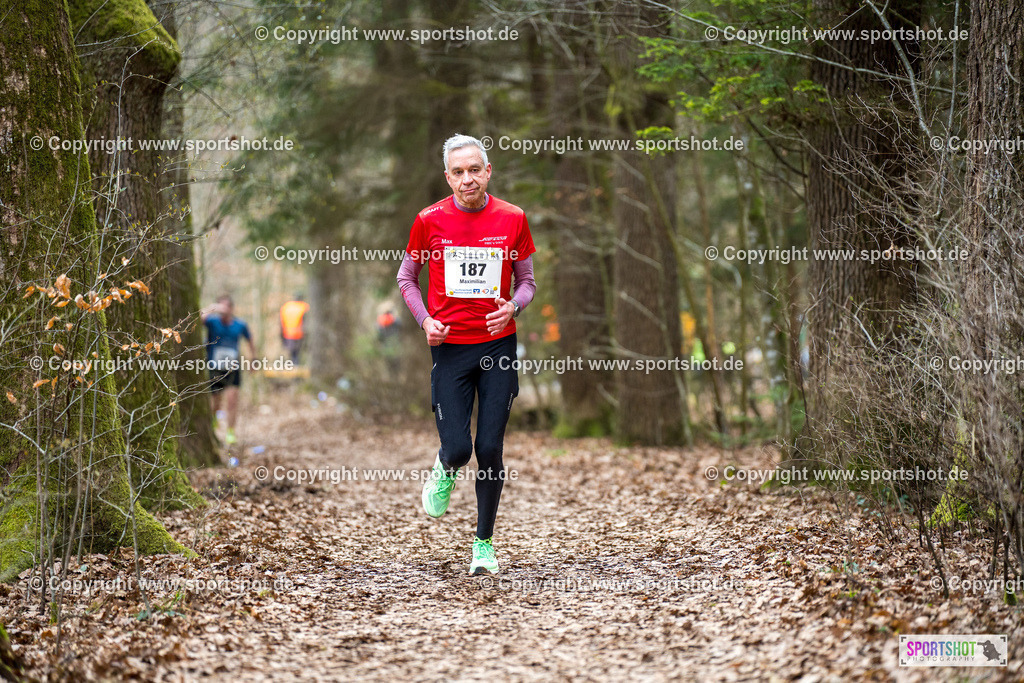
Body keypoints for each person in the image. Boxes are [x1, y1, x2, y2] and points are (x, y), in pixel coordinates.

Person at [397, 133, 536, 575]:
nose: (467, 178)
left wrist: (513, 306)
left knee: (490, 448)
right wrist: (425, 321)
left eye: (474, 169)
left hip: (498, 345)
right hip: (451, 348)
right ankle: (444, 466)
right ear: (448, 177)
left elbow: (527, 282)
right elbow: (406, 277)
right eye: (458, 172)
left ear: (488, 171)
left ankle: (483, 546)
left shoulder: (512, 218)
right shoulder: (429, 219)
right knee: (458, 448)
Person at [203, 294, 257, 446]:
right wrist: (212, 307)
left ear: (232, 308)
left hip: (233, 368)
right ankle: (213, 420)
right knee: (216, 401)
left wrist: (254, 360)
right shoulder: (212, 322)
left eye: (226, 306)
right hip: (215, 367)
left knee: (232, 400)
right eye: (221, 306)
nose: (223, 309)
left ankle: (231, 432)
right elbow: (197, 318)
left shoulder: (240, 325)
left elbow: (250, 339)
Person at [279, 295, 309, 365]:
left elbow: (281, 322)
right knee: (297, 355)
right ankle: (297, 369)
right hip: (300, 334)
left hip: (288, 334)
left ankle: (294, 368)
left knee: (293, 354)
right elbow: (306, 322)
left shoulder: (286, 307)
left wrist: (281, 337)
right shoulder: (303, 307)